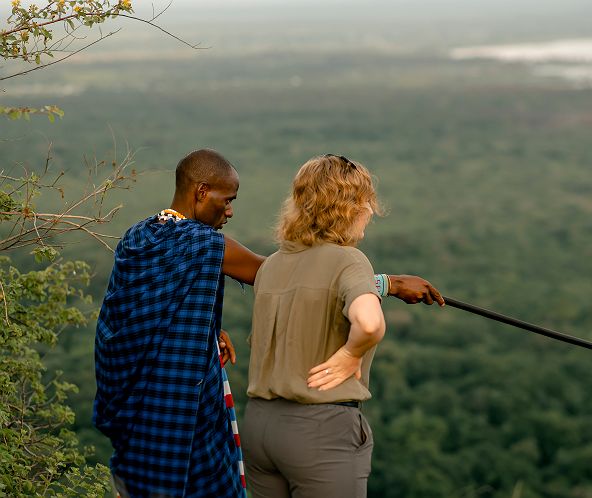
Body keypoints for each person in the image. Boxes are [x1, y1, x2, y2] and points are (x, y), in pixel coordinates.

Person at [93, 149, 443, 498]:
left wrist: (206, 330)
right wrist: (385, 285)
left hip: (157, 411)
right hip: (185, 410)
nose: (230, 211)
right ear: (201, 192)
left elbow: (127, 317)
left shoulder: (136, 238)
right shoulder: (203, 243)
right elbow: (278, 276)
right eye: (226, 200)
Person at [242, 154, 407, 498]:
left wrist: (389, 284)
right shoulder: (349, 259)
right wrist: (351, 353)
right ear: (349, 207)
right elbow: (370, 322)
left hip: (260, 428)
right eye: (366, 203)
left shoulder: (272, 265)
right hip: (319, 431)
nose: (371, 212)